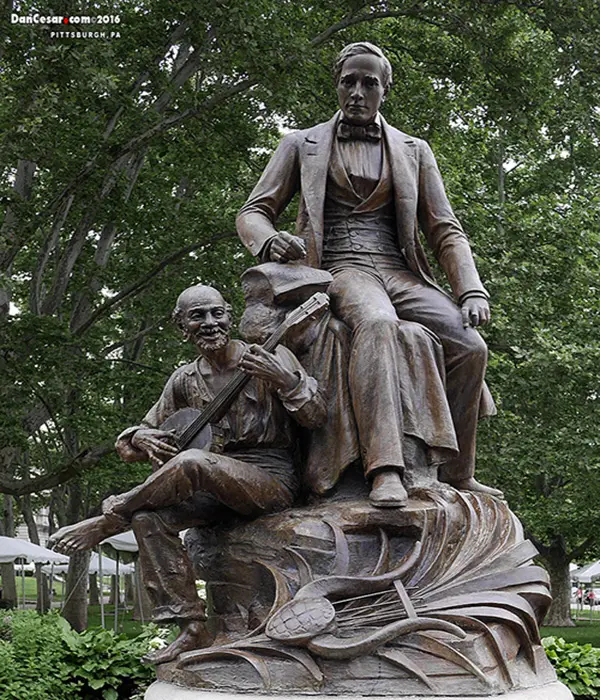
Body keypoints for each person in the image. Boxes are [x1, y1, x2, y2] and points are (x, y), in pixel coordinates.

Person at [237, 41, 500, 508]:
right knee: (379, 324)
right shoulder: (301, 143)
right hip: (339, 266)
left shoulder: (415, 150)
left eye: (369, 83)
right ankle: (386, 468)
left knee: (470, 344)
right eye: (348, 81)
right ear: (337, 85)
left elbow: (444, 228)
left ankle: (459, 473)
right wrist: (268, 239)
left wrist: (471, 289)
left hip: (401, 271)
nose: (357, 91)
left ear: (385, 89)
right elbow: (254, 211)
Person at [50, 284, 326, 664]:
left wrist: (285, 380)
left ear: (229, 316)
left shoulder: (271, 356)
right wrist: (139, 435)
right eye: (197, 316)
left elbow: (316, 416)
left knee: (192, 462)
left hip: (270, 479)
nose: (210, 323)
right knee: (149, 518)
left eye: (216, 313)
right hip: (210, 487)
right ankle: (190, 627)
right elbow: (131, 445)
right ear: (182, 326)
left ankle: (109, 522)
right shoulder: (184, 379)